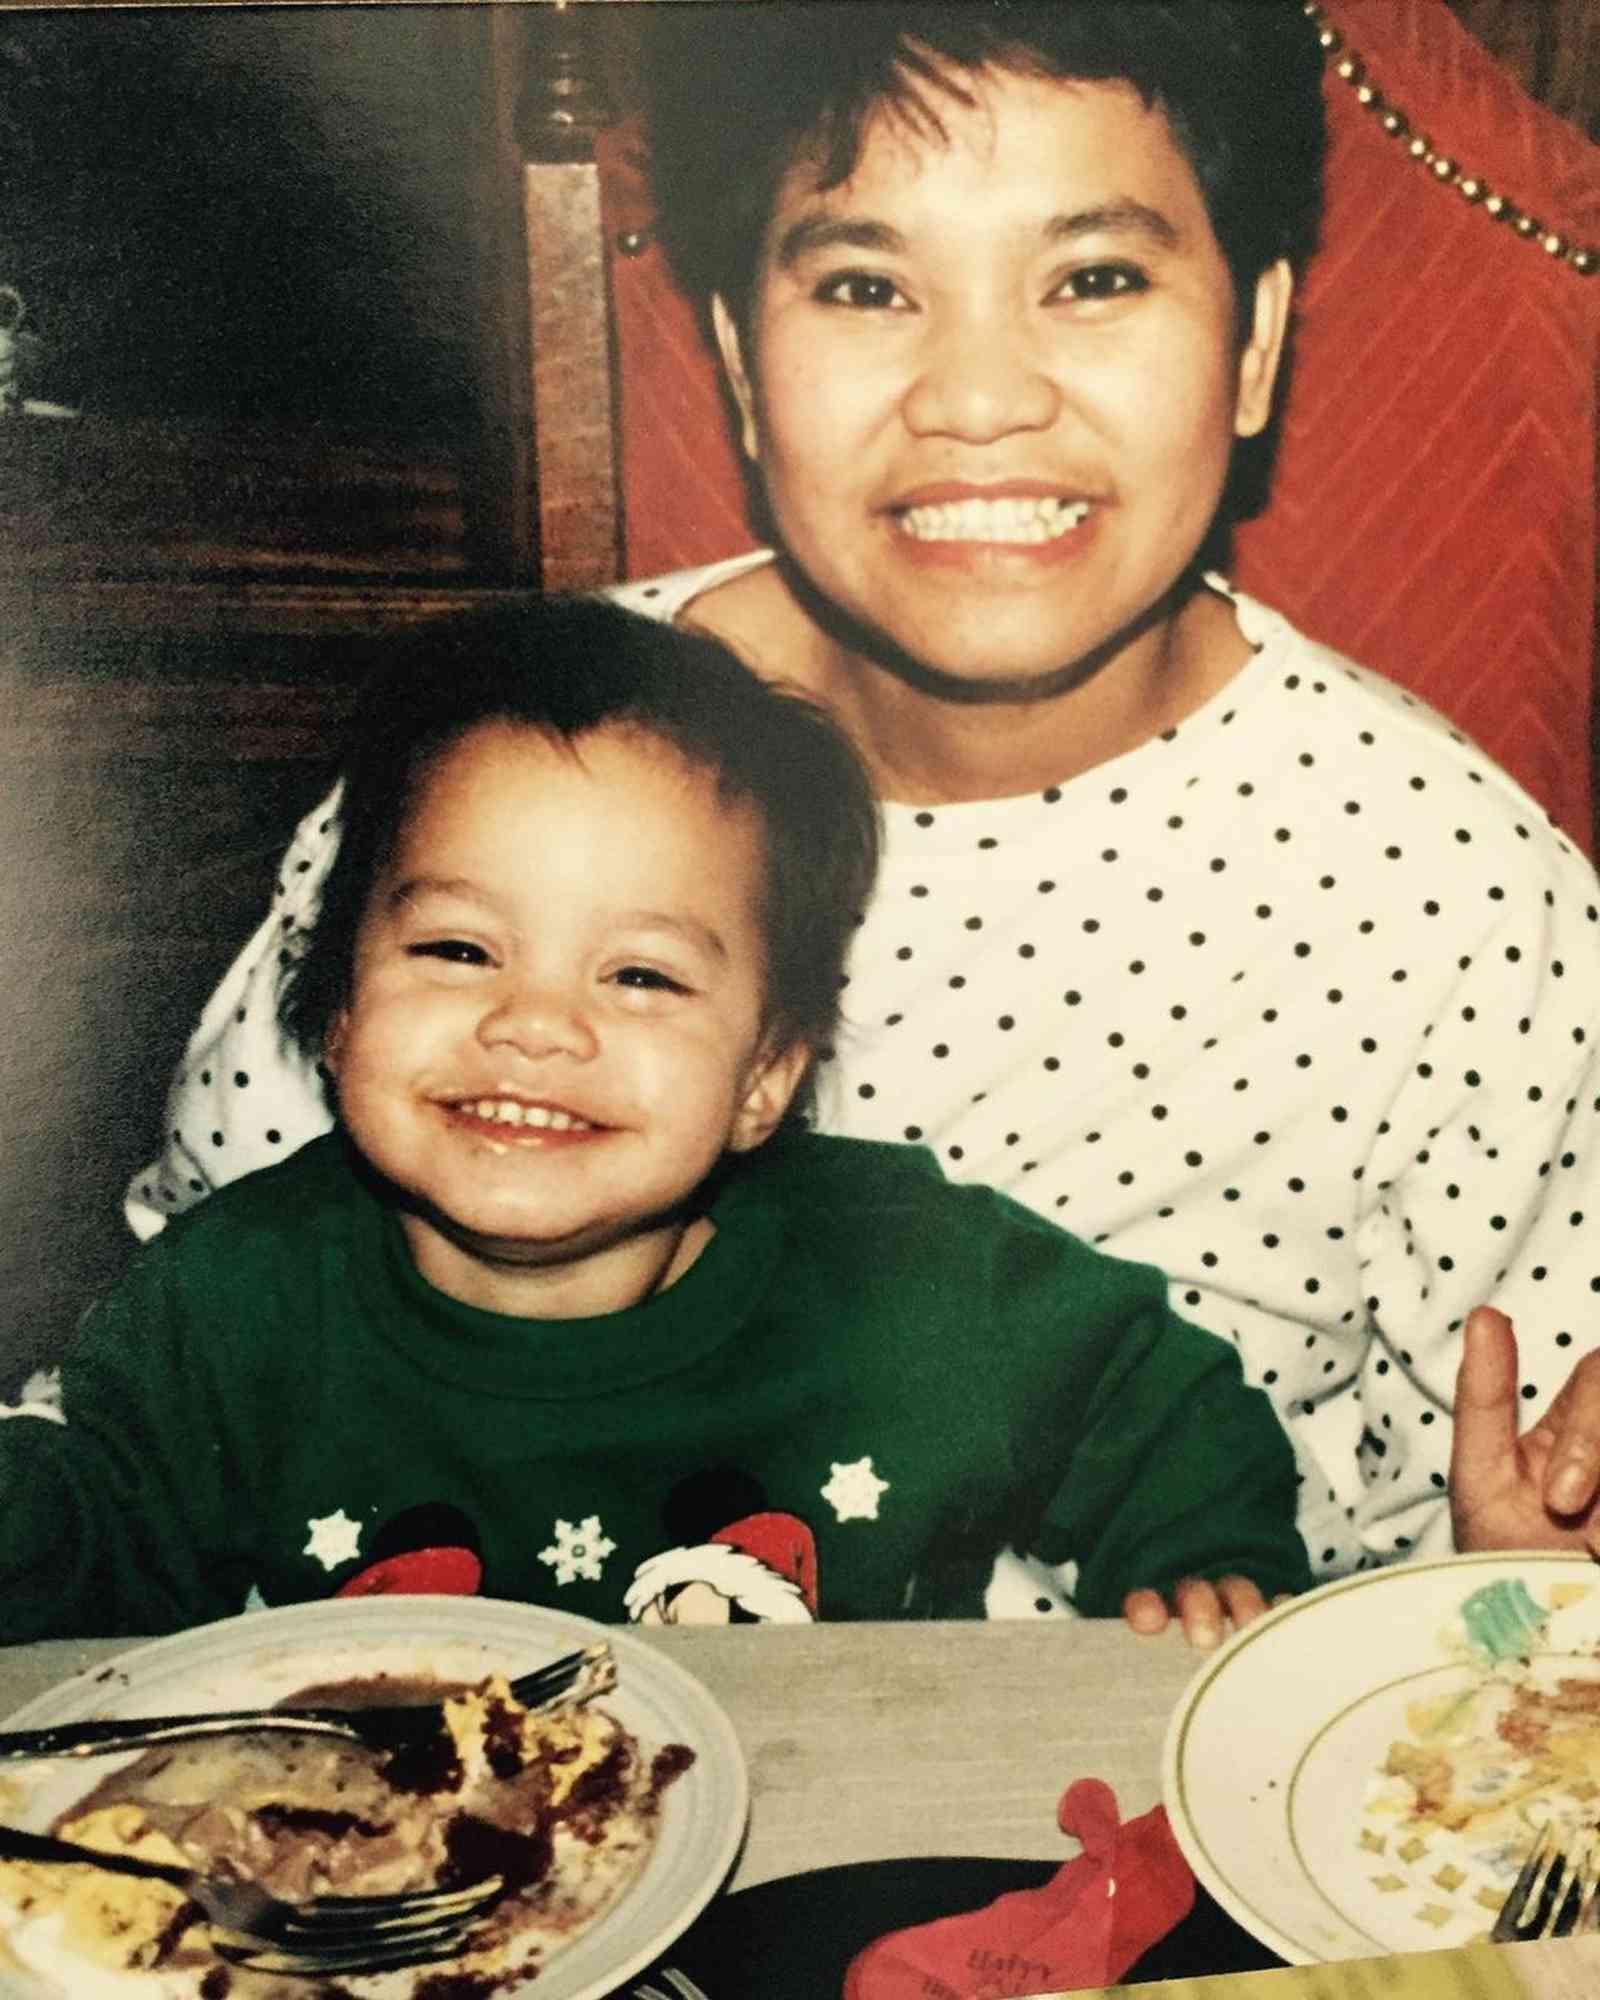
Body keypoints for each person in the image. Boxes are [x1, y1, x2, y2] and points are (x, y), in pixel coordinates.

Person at [124, 1, 1600, 1622]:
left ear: (1252, 346)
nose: (978, 397)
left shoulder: (1454, 893)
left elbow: (1491, 1533)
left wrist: (1518, 1594)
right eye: (866, 286)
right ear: (746, 364)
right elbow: (186, 1359)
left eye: (1095, 278)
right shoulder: (496, 787)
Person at [0, 598, 1310, 1643]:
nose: (537, 1023)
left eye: (640, 977)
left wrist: (1200, 1558)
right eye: (459, 948)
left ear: (762, 1081)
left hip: (829, 1869)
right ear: (336, 1008)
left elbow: (1147, 1394)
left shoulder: (915, 1276)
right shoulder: (232, 1301)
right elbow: (86, 1552)